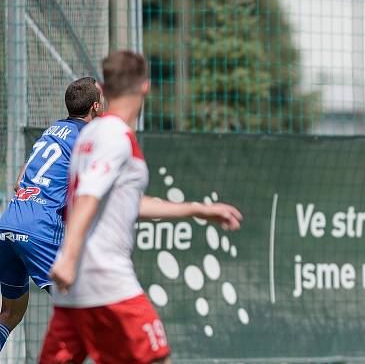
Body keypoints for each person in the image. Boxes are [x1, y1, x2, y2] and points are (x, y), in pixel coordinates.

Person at [39, 51, 243, 364]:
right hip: (108, 280)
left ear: (104, 91)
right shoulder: (115, 135)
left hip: (77, 288)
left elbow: (124, 202)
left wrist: (198, 210)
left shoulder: (91, 133)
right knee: (157, 360)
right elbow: (89, 195)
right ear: (145, 86)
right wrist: (67, 257)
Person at [0, 77, 103, 352]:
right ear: (96, 106)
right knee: (83, 308)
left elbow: (20, 179)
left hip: (9, 223)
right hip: (39, 228)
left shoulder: (52, 130)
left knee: (10, 314)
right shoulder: (88, 139)